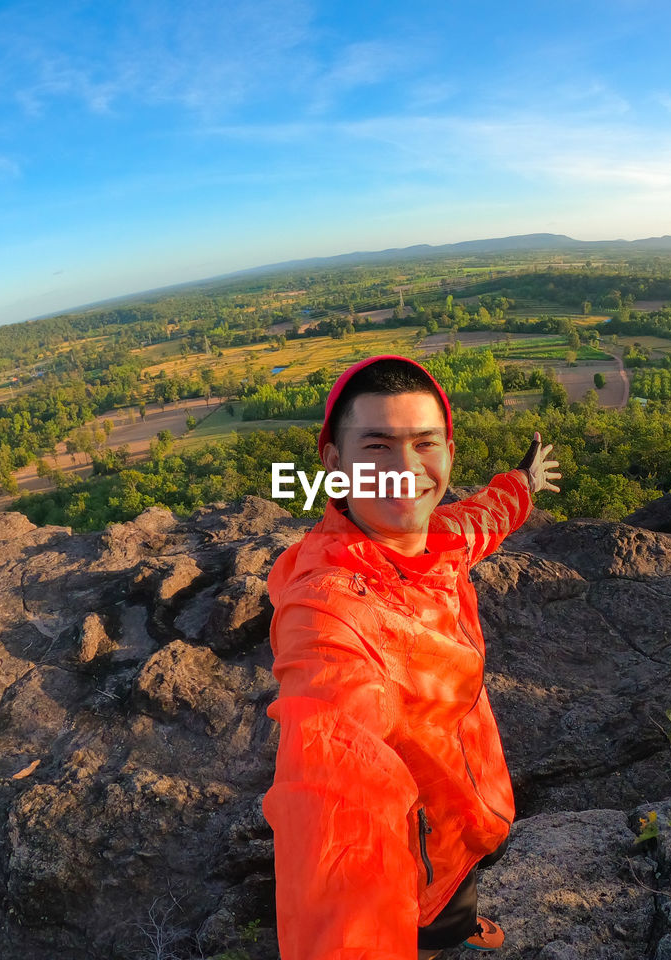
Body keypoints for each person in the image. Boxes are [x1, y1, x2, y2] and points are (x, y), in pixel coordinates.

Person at [262, 354, 561, 959]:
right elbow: (334, 804)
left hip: (464, 800)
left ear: (448, 453)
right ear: (334, 465)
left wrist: (522, 485)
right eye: (377, 446)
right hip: (416, 853)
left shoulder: (440, 539)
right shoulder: (328, 611)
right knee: (437, 917)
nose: (405, 470)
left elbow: (483, 520)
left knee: (462, 885)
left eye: (426, 443)